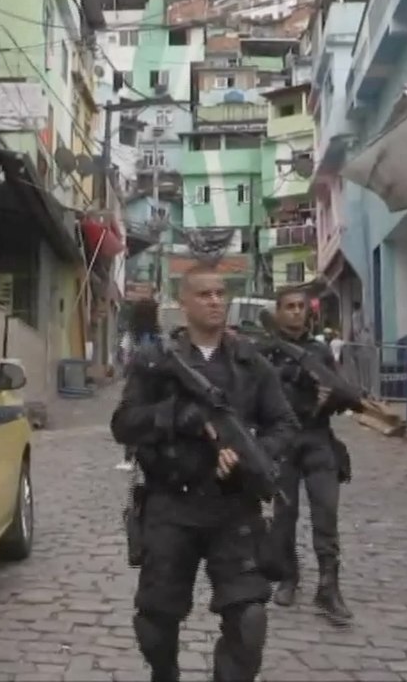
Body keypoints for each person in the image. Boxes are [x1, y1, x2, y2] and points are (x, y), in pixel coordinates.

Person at [111, 263, 298, 682]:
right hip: (170, 504)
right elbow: (123, 424)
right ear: (184, 302)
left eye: (220, 294)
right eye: (204, 294)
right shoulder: (156, 363)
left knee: (249, 621)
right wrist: (179, 416)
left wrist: (253, 456)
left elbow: (285, 424)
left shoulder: (250, 363)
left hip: (234, 507)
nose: (215, 301)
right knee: (155, 622)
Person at [260, 287, 354, 625]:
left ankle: (329, 586)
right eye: (289, 306)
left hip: (317, 439)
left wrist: (330, 398)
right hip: (284, 442)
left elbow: (344, 394)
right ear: (278, 312)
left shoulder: (319, 351)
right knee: (284, 515)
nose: (296, 312)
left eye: (301, 306)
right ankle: (288, 577)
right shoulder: (266, 352)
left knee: (326, 514)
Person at [116, 299, 164, 471]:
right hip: (156, 381)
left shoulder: (132, 334)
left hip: (136, 381)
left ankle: (129, 458)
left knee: (133, 417)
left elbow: (124, 356)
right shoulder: (158, 335)